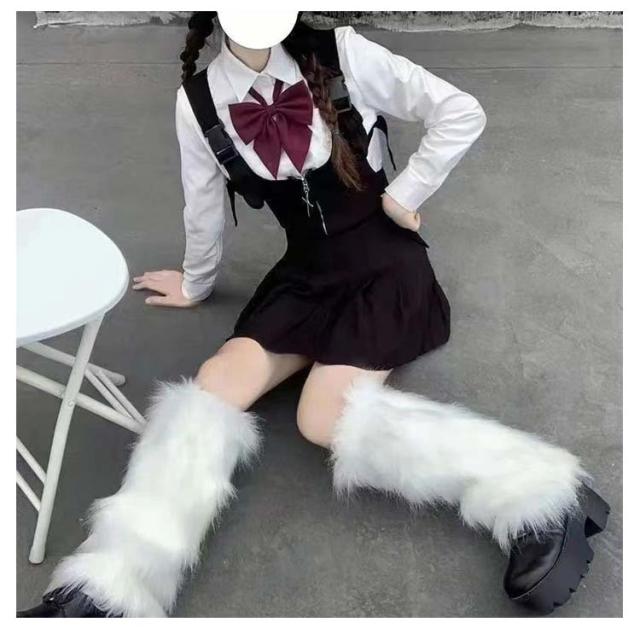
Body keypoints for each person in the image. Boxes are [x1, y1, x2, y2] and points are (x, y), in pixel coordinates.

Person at [18, 11, 608, 618]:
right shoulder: (198, 101)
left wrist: (404, 194)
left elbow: (460, 110)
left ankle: (541, 495)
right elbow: (202, 206)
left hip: (386, 269)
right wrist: (195, 283)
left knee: (322, 416)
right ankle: (113, 586)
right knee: (214, 384)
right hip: (307, 275)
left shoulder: (342, 52)